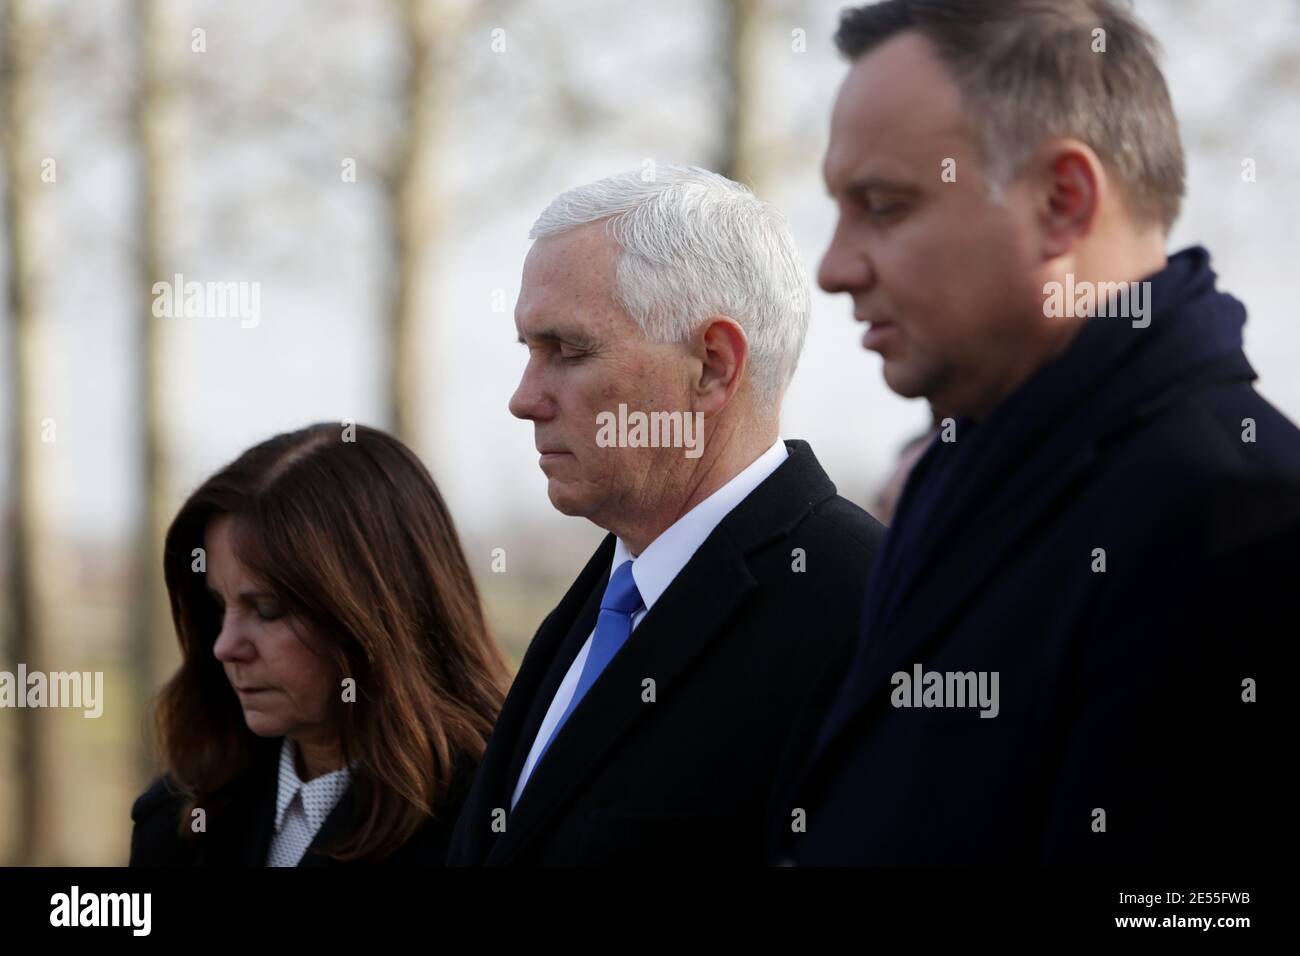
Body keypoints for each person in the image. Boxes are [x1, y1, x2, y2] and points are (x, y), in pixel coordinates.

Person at [771, 0, 1300, 864]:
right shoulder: (969, 465)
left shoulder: (1243, 526)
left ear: (1062, 201)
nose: (833, 266)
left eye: (884, 205)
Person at [447, 165, 885, 865]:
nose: (524, 398)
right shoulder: (607, 592)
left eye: (568, 351)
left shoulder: (867, 613)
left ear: (712, 364)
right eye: (529, 351)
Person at [130, 423, 511, 866]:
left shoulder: (494, 822)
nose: (225, 646)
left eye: (268, 610)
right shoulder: (182, 817)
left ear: (377, 612)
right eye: (219, 606)